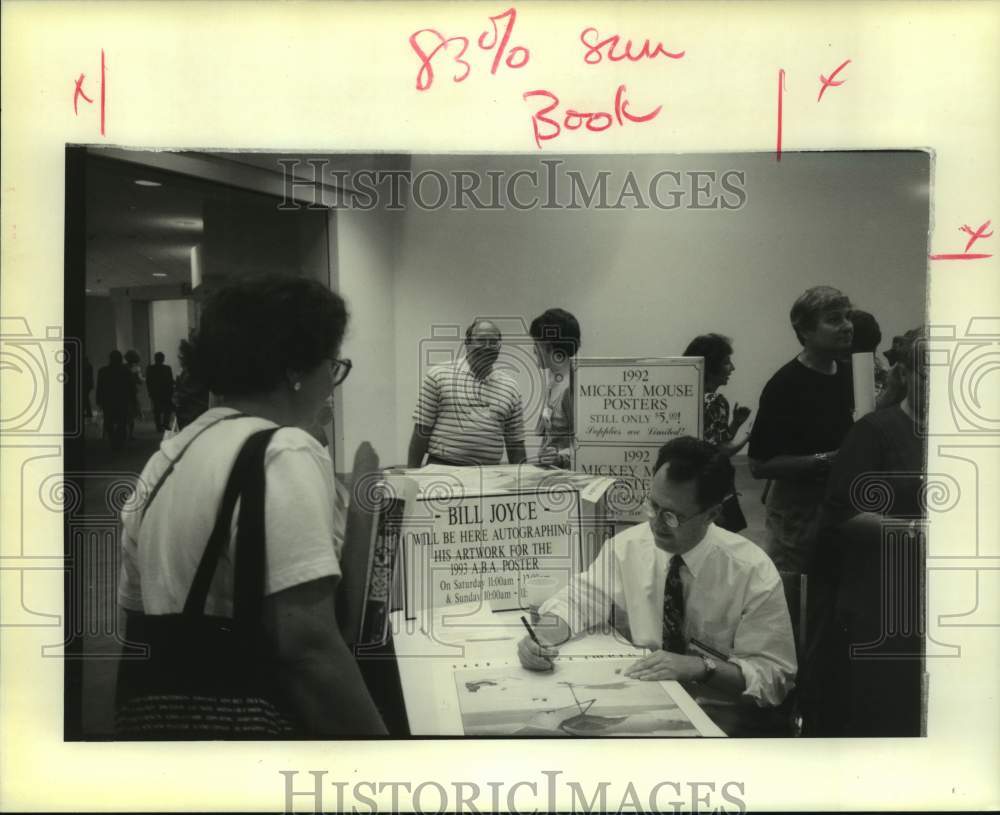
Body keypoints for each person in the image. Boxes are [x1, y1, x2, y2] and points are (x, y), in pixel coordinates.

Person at [116, 275, 385, 736]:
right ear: (295, 370)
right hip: (253, 728)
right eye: (332, 365)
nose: (332, 384)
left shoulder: (167, 457)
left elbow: (137, 614)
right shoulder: (285, 452)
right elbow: (308, 647)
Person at [517, 437, 796, 713]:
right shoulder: (628, 547)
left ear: (712, 514)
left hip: (722, 716)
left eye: (672, 517)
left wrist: (700, 668)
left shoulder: (751, 570)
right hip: (647, 701)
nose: (656, 524)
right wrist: (541, 637)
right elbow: (580, 599)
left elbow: (774, 678)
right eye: (653, 506)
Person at [801, 327, 926, 736]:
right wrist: (915, 530)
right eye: (929, 376)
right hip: (884, 601)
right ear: (906, 374)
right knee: (889, 716)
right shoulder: (875, 432)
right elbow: (846, 515)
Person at [747, 286, 855, 574]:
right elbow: (759, 465)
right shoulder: (785, 385)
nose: (847, 326)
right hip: (797, 518)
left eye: (847, 316)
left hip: (838, 507)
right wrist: (828, 460)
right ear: (805, 331)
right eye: (834, 319)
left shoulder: (847, 373)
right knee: (794, 599)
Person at [407, 319, 527, 467]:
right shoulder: (439, 375)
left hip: (490, 476)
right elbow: (421, 431)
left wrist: (523, 480)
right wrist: (412, 475)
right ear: (467, 344)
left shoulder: (510, 387)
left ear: (499, 346)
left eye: (493, 342)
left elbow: (516, 444)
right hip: (443, 471)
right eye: (481, 340)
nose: (488, 346)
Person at [683, 333, 751, 532]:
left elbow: (711, 441)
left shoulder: (689, 397)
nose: (732, 368)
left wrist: (735, 424)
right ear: (711, 366)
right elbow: (722, 451)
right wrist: (750, 433)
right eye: (726, 363)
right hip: (714, 485)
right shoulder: (716, 401)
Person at [530, 308, 581, 468]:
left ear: (548, 345)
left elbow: (589, 445)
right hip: (551, 472)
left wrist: (560, 458)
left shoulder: (572, 387)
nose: (533, 350)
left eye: (536, 343)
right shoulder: (553, 378)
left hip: (568, 477)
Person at [95, 350, 131, 451]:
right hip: (122, 400)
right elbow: (130, 387)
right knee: (122, 421)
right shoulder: (125, 371)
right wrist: (132, 400)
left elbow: (100, 387)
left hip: (108, 400)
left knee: (109, 421)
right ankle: (120, 441)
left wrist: (99, 400)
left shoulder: (103, 371)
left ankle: (113, 440)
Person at [145, 351, 175, 432]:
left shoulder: (150, 368)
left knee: (157, 410)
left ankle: (159, 426)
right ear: (163, 359)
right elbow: (170, 381)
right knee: (167, 409)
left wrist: (150, 391)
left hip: (156, 392)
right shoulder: (167, 368)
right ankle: (165, 424)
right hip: (166, 392)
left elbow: (148, 381)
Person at [123, 349, 144, 440]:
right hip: (132, 391)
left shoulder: (123, 367)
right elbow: (139, 381)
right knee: (131, 413)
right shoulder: (136, 368)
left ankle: (124, 432)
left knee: (125, 412)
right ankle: (130, 434)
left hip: (123, 391)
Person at [83, 355, 94, 420]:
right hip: (88, 385)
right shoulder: (89, 366)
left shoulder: (85, 366)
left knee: (85, 399)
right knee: (86, 398)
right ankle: (88, 413)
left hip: (86, 385)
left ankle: (88, 413)